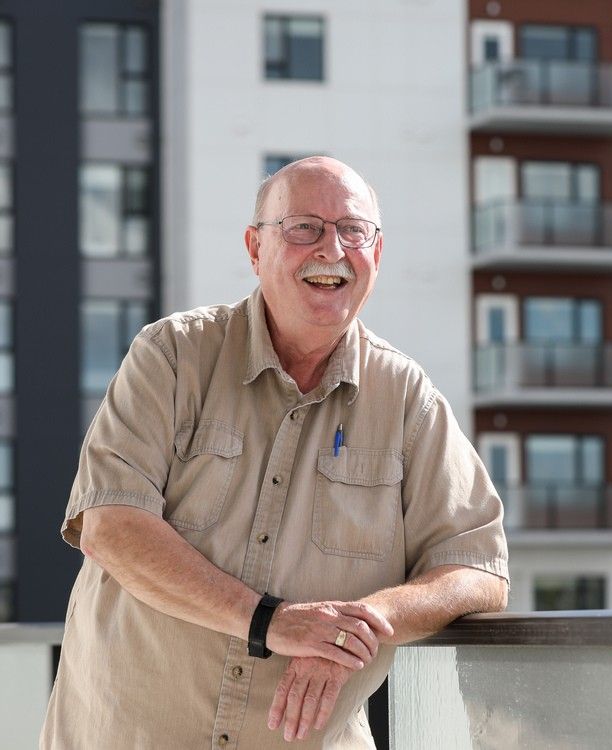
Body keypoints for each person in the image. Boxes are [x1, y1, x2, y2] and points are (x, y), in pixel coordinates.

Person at [40, 156, 509, 748]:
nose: (331, 249)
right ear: (254, 248)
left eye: (352, 231)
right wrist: (271, 622)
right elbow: (111, 527)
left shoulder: (407, 398)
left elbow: (478, 570)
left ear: (377, 255)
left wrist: (355, 629)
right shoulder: (173, 356)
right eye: (304, 228)